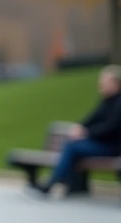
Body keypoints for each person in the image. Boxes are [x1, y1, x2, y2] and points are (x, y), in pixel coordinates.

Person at [29, 65, 121, 196]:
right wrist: (79, 127)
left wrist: (87, 133)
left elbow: (111, 127)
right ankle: (67, 183)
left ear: (115, 84)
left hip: (111, 147)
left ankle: (53, 182)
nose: (101, 85)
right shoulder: (106, 101)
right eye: (101, 82)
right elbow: (91, 118)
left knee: (72, 147)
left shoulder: (118, 103)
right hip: (101, 144)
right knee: (72, 146)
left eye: (105, 82)